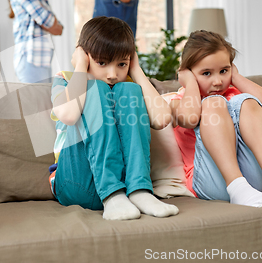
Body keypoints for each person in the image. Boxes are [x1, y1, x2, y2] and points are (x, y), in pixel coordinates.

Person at [49, 16, 179, 220]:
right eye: (102, 63)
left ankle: (140, 191)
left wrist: (135, 70)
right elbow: (68, 115)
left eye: (121, 64)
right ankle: (112, 195)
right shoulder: (66, 79)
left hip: (126, 186)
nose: (112, 74)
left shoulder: (127, 83)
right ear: (83, 54)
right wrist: (81, 67)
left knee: (128, 89)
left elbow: (162, 119)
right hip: (77, 183)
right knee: (96, 89)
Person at [170, 30, 262, 207]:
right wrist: (190, 84)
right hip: (211, 182)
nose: (217, 81)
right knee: (214, 103)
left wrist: (236, 77)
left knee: (246, 100)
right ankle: (236, 187)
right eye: (206, 73)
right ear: (188, 73)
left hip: (254, 182)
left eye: (223, 71)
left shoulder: (235, 95)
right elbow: (190, 118)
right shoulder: (179, 101)